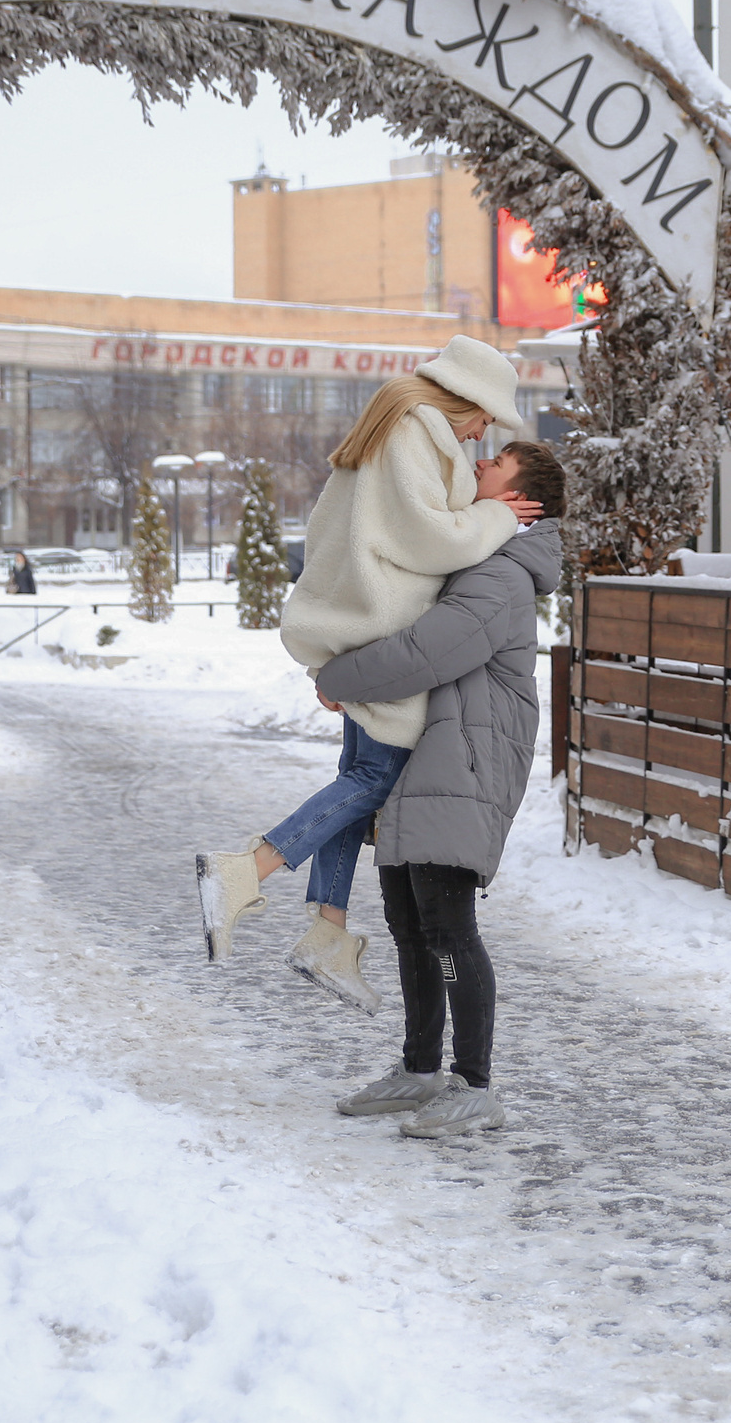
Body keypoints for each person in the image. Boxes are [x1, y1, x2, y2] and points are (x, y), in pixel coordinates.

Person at [196, 337, 542, 1007]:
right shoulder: (417, 433)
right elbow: (430, 539)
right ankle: (245, 870)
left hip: (361, 628)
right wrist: (498, 512)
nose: (479, 435)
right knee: (373, 779)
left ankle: (327, 931)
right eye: (483, 420)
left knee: (355, 782)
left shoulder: (392, 426)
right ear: (462, 400)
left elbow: (343, 528)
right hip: (388, 634)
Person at [315, 440, 565, 1138]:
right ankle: (420, 1068)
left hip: (465, 767)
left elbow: (425, 652)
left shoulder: (502, 577)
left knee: (449, 929)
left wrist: (337, 676)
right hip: (431, 764)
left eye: (496, 463)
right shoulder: (477, 561)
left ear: (523, 499)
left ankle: (475, 1084)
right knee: (410, 926)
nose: (479, 464)